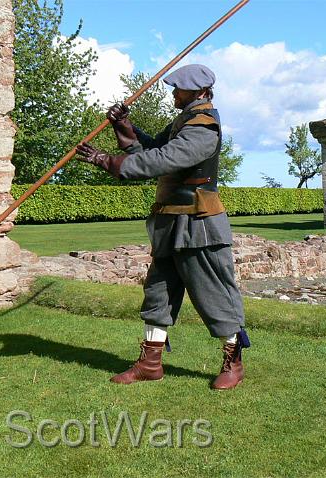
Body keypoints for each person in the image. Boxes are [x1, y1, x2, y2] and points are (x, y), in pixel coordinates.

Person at [75, 64, 249, 390]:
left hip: (200, 225)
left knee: (214, 296)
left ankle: (233, 363)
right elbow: (151, 151)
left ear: (197, 92)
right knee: (158, 294)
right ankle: (150, 364)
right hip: (170, 223)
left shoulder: (203, 127)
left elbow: (162, 161)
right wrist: (124, 126)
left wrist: (105, 160)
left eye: (178, 89)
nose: (173, 93)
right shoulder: (183, 122)